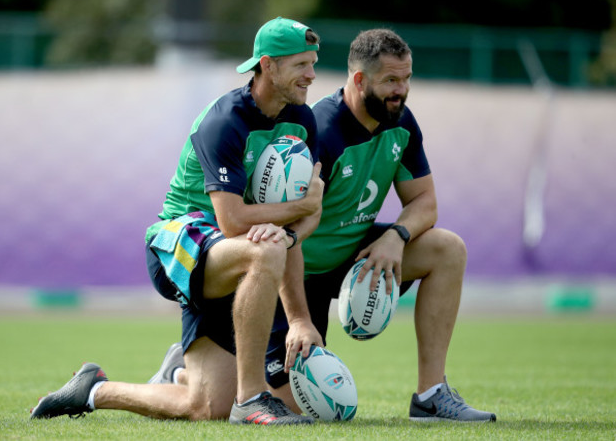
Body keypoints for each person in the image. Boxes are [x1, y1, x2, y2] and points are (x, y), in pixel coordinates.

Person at [151, 28, 497, 423]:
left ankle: (431, 395)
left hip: (356, 254)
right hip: (297, 270)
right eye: (391, 81)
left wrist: (395, 238)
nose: (401, 90)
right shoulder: (321, 128)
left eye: (406, 79)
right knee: (293, 406)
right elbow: (287, 218)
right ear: (360, 80)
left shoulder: (399, 122)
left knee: (446, 248)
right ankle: (181, 371)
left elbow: (425, 202)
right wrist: (298, 312)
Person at [30, 16, 325, 426]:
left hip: (240, 249)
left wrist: (300, 320)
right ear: (268, 66)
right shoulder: (224, 121)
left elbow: (307, 217)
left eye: (313, 63)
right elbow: (234, 218)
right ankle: (253, 398)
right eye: (301, 65)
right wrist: (292, 218)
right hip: (180, 242)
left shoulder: (302, 119)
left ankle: (94, 389)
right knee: (267, 248)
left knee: (205, 408)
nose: (312, 75)